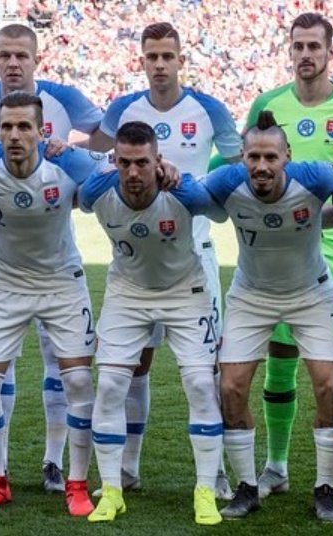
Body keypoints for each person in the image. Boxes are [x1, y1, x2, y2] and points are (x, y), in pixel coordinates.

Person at [229, 12, 333, 513]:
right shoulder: (267, 105)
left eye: (313, 46)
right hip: (277, 258)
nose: (305, 55)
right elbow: (241, 170)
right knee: (279, 366)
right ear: (290, 50)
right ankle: (276, 466)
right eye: (297, 46)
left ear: (329, 51)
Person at [86, 22, 241, 497]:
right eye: (151, 56)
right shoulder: (122, 111)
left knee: (205, 370)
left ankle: (215, 476)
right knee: (136, 365)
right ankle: (127, 470)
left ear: (180, 59)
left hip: (193, 254)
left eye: (166, 56)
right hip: (137, 256)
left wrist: (192, 183)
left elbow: (236, 166)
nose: (159, 64)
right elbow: (96, 160)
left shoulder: (209, 109)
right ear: (141, 59)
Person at [0, 23, 103, 493]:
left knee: (62, 367)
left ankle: (55, 463)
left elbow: (105, 142)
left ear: (36, 58)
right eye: (4, 56)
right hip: (1, 258)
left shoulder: (62, 100)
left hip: (56, 253)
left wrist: (71, 156)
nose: (12, 63)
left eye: (21, 55)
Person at [79, 121, 223, 526]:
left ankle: (206, 490)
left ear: (158, 161)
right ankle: (111, 490)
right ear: (115, 161)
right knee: (108, 385)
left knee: (199, 383)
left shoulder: (182, 191)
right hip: (127, 292)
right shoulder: (98, 191)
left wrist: (184, 178)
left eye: (142, 162)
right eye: (124, 162)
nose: (133, 173)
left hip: (185, 290)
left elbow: (219, 211)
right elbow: (79, 186)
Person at [203, 111, 333, 520]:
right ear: (242, 157)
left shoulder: (315, 177)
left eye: (271, 157)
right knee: (230, 388)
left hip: (312, 295)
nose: (261, 166)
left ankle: (325, 489)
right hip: (251, 296)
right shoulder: (226, 181)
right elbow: (185, 198)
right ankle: (247, 487)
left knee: (330, 388)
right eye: (253, 157)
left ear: (288, 156)